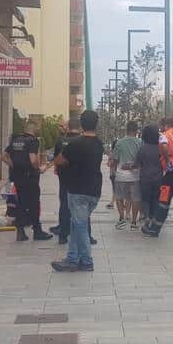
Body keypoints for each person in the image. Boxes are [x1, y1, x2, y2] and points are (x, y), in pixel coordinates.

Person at [51, 111, 105, 272]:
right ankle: (72, 258)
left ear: (81, 124)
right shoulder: (99, 144)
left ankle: (87, 261)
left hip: (78, 189)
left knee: (80, 225)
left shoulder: (75, 143)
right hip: (94, 189)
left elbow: (59, 160)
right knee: (76, 223)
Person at [141, 116, 173, 238]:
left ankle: (155, 229)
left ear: (164, 125)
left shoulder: (164, 135)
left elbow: (163, 146)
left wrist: (168, 160)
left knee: (163, 201)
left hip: (170, 173)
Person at [49, 119, 96, 245]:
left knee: (64, 205)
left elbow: (56, 160)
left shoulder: (60, 141)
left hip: (64, 178)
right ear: (80, 127)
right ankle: (88, 235)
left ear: (68, 127)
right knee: (83, 207)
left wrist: (59, 168)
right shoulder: (83, 141)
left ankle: (63, 235)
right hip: (81, 178)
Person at [2, 122, 52, 242]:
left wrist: (13, 165)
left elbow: (4, 156)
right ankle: (37, 231)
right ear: (34, 131)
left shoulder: (15, 141)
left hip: (17, 177)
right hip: (30, 177)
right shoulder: (32, 141)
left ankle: (20, 231)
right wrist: (38, 168)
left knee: (21, 203)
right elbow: (33, 159)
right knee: (34, 203)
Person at [112, 122, 143, 230]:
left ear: (126, 130)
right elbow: (142, 160)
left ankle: (122, 219)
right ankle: (134, 222)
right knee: (136, 199)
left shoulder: (119, 142)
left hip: (121, 175)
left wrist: (114, 171)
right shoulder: (140, 143)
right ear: (136, 130)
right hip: (135, 176)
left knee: (119, 197)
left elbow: (115, 159)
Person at [134, 125, 164, 234]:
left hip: (145, 178)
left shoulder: (142, 148)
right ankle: (153, 219)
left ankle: (146, 217)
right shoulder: (160, 148)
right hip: (158, 178)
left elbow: (136, 164)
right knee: (156, 199)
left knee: (145, 199)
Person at [106, 138, 118, 209]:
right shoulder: (113, 153)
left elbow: (109, 164)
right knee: (116, 189)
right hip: (115, 173)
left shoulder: (113, 154)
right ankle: (113, 202)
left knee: (116, 189)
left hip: (115, 173)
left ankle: (112, 202)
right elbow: (108, 164)